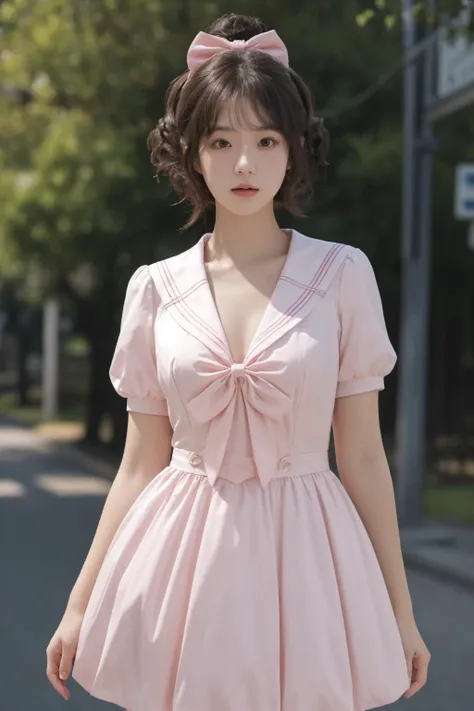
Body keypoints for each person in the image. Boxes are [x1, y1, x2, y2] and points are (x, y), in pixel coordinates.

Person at [46, 12, 431, 711]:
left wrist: (401, 613)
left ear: (294, 151)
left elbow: (365, 458)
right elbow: (140, 463)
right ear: (191, 151)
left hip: (310, 559)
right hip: (183, 566)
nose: (244, 163)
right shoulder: (155, 288)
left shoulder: (343, 275)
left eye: (265, 139)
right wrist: (80, 601)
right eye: (221, 140)